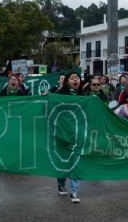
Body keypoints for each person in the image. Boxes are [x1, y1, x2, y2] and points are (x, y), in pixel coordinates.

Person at [56, 71, 82, 203]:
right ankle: (61, 183)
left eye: (77, 78)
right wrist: (45, 96)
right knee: (63, 161)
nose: (75, 80)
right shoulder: (59, 94)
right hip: (62, 133)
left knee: (75, 162)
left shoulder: (84, 96)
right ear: (67, 81)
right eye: (72, 78)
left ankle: (74, 191)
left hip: (77, 134)